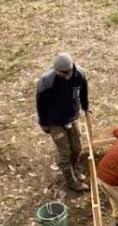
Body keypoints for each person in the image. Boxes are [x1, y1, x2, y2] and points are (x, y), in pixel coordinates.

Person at [36, 52, 90, 192]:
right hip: (55, 121)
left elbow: (83, 92)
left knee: (77, 147)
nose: (64, 75)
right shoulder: (46, 81)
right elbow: (41, 104)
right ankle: (71, 181)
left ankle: (75, 169)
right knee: (65, 152)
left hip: (72, 117)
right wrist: (43, 123)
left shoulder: (80, 75)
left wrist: (85, 106)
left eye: (67, 72)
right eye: (61, 72)